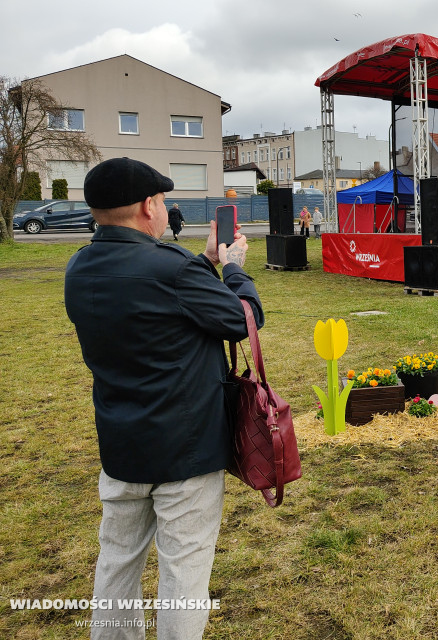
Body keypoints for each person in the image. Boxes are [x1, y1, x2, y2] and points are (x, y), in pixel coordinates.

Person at [64, 157, 264, 640]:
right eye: (163, 201)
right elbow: (243, 319)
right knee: (184, 574)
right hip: (186, 452)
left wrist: (206, 262)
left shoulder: (79, 267)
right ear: (147, 207)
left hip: (121, 447)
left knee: (116, 564)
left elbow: (152, 291)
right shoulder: (169, 269)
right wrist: (233, 270)